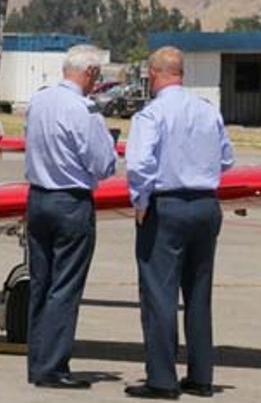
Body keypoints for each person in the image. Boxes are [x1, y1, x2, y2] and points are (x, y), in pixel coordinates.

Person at [123, 46, 234, 400]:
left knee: (159, 295)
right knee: (199, 293)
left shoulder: (151, 114)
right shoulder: (207, 110)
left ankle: (161, 379)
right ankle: (201, 376)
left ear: (154, 73)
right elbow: (227, 158)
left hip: (167, 206)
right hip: (205, 205)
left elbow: (139, 164)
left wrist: (141, 201)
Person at [24, 44, 117, 389]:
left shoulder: (39, 100)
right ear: (90, 73)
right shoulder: (84, 109)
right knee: (65, 286)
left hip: (38, 198)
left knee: (41, 283)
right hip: (70, 202)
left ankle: (38, 362)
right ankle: (53, 367)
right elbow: (102, 165)